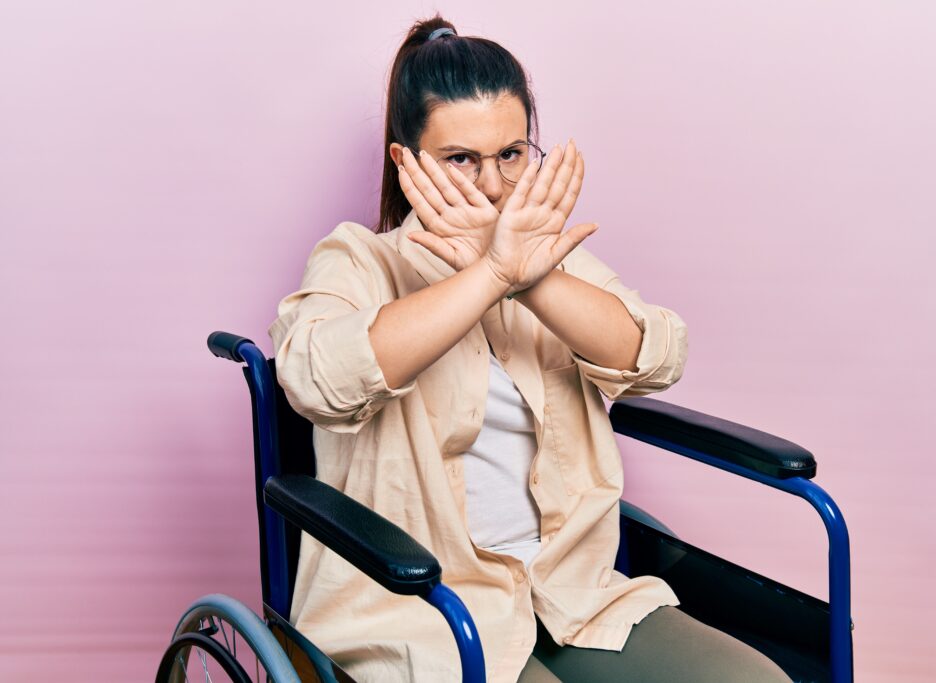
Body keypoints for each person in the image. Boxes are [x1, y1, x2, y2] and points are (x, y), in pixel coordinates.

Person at [268, 13, 792, 683]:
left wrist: (530, 278)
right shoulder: (359, 260)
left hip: (571, 593)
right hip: (424, 611)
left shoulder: (548, 262)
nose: (493, 186)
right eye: (461, 159)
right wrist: (486, 277)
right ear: (406, 162)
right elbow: (317, 378)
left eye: (512, 154)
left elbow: (660, 352)